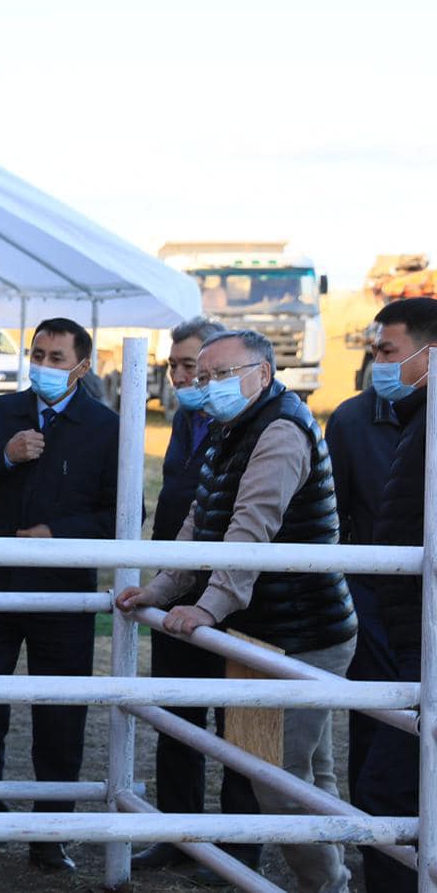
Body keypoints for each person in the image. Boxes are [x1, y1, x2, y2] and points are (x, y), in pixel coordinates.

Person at [116, 329, 357, 893]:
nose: (209, 386)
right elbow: (202, 521)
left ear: (264, 373)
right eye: (204, 376)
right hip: (265, 631)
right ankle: (334, 879)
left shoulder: (280, 430)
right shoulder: (231, 429)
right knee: (305, 774)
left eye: (223, 374)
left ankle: (325, 885)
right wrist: (162, 588)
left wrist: (208, 604)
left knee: (276, 781)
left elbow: (254, 525)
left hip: (303, 630)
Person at [0, 317, 120, 873]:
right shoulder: (1, 414)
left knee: (60, 716)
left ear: (82, 366)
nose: (43, 366)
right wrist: (4, 455)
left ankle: (52, 833)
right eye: (37, 354)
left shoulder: (105, 426)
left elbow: (123, 516)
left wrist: (58, 535)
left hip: (64, 594)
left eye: (55, 357)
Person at [131, 317, 263, 875]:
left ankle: (237, 847)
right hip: (181, 588)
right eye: (178, 366)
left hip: (238, 599)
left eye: (197, 367)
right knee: (176, 719)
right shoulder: (187, 422)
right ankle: (179, 835)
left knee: (242, 726)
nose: (186, 378)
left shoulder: (246, 425)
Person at [353, 297, 437, 893]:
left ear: (430, 354)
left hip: (428, 638)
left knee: (387, 791)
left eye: (388, 351)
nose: (377, 364)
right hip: (410, 630)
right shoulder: (418, 418)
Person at [325, 327, 403, 806]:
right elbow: (336, 515)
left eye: (388, 350)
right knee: (377, 717)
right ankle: (376, 840)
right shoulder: (352, 419)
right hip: (374, 599)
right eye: (375, 350)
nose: (378, 360)